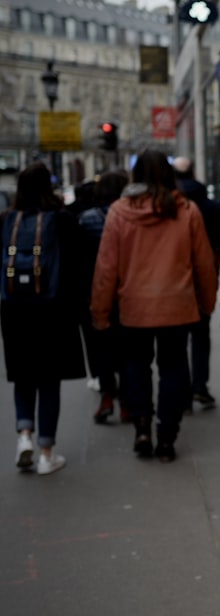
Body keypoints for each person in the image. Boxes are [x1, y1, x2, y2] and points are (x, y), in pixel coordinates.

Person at [91, 151, 217, 463]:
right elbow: (204, 264)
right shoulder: (187, 210)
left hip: (133, 308)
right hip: (177, 306)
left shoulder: (120, 212)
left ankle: (143, 428)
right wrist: (207, 302)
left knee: (136, 368)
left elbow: (107, 268)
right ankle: (167, 437)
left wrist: (100, 312)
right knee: (172, 369)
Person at [3, 161, 87, 474]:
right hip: (53, 309)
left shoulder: (6, 220)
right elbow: (79, 267)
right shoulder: (63, 220)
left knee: (22, 375)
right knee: (49, 380)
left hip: (13, 309)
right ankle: (46, 453)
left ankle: (24, 435)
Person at [171, 156, 220, 410]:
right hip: (205, 277)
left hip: (173, 280)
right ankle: (199, 386)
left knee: (177, 339)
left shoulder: (169, 207)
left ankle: (182, 390)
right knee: (201, 334)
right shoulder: (211, 207)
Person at [78, 170, 129, 423]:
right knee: (129, 349)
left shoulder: (86, 219)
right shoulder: (131, 217)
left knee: (102, 345)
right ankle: (128, 403)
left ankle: (108, 394)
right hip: (127, 291)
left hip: (95, 291)